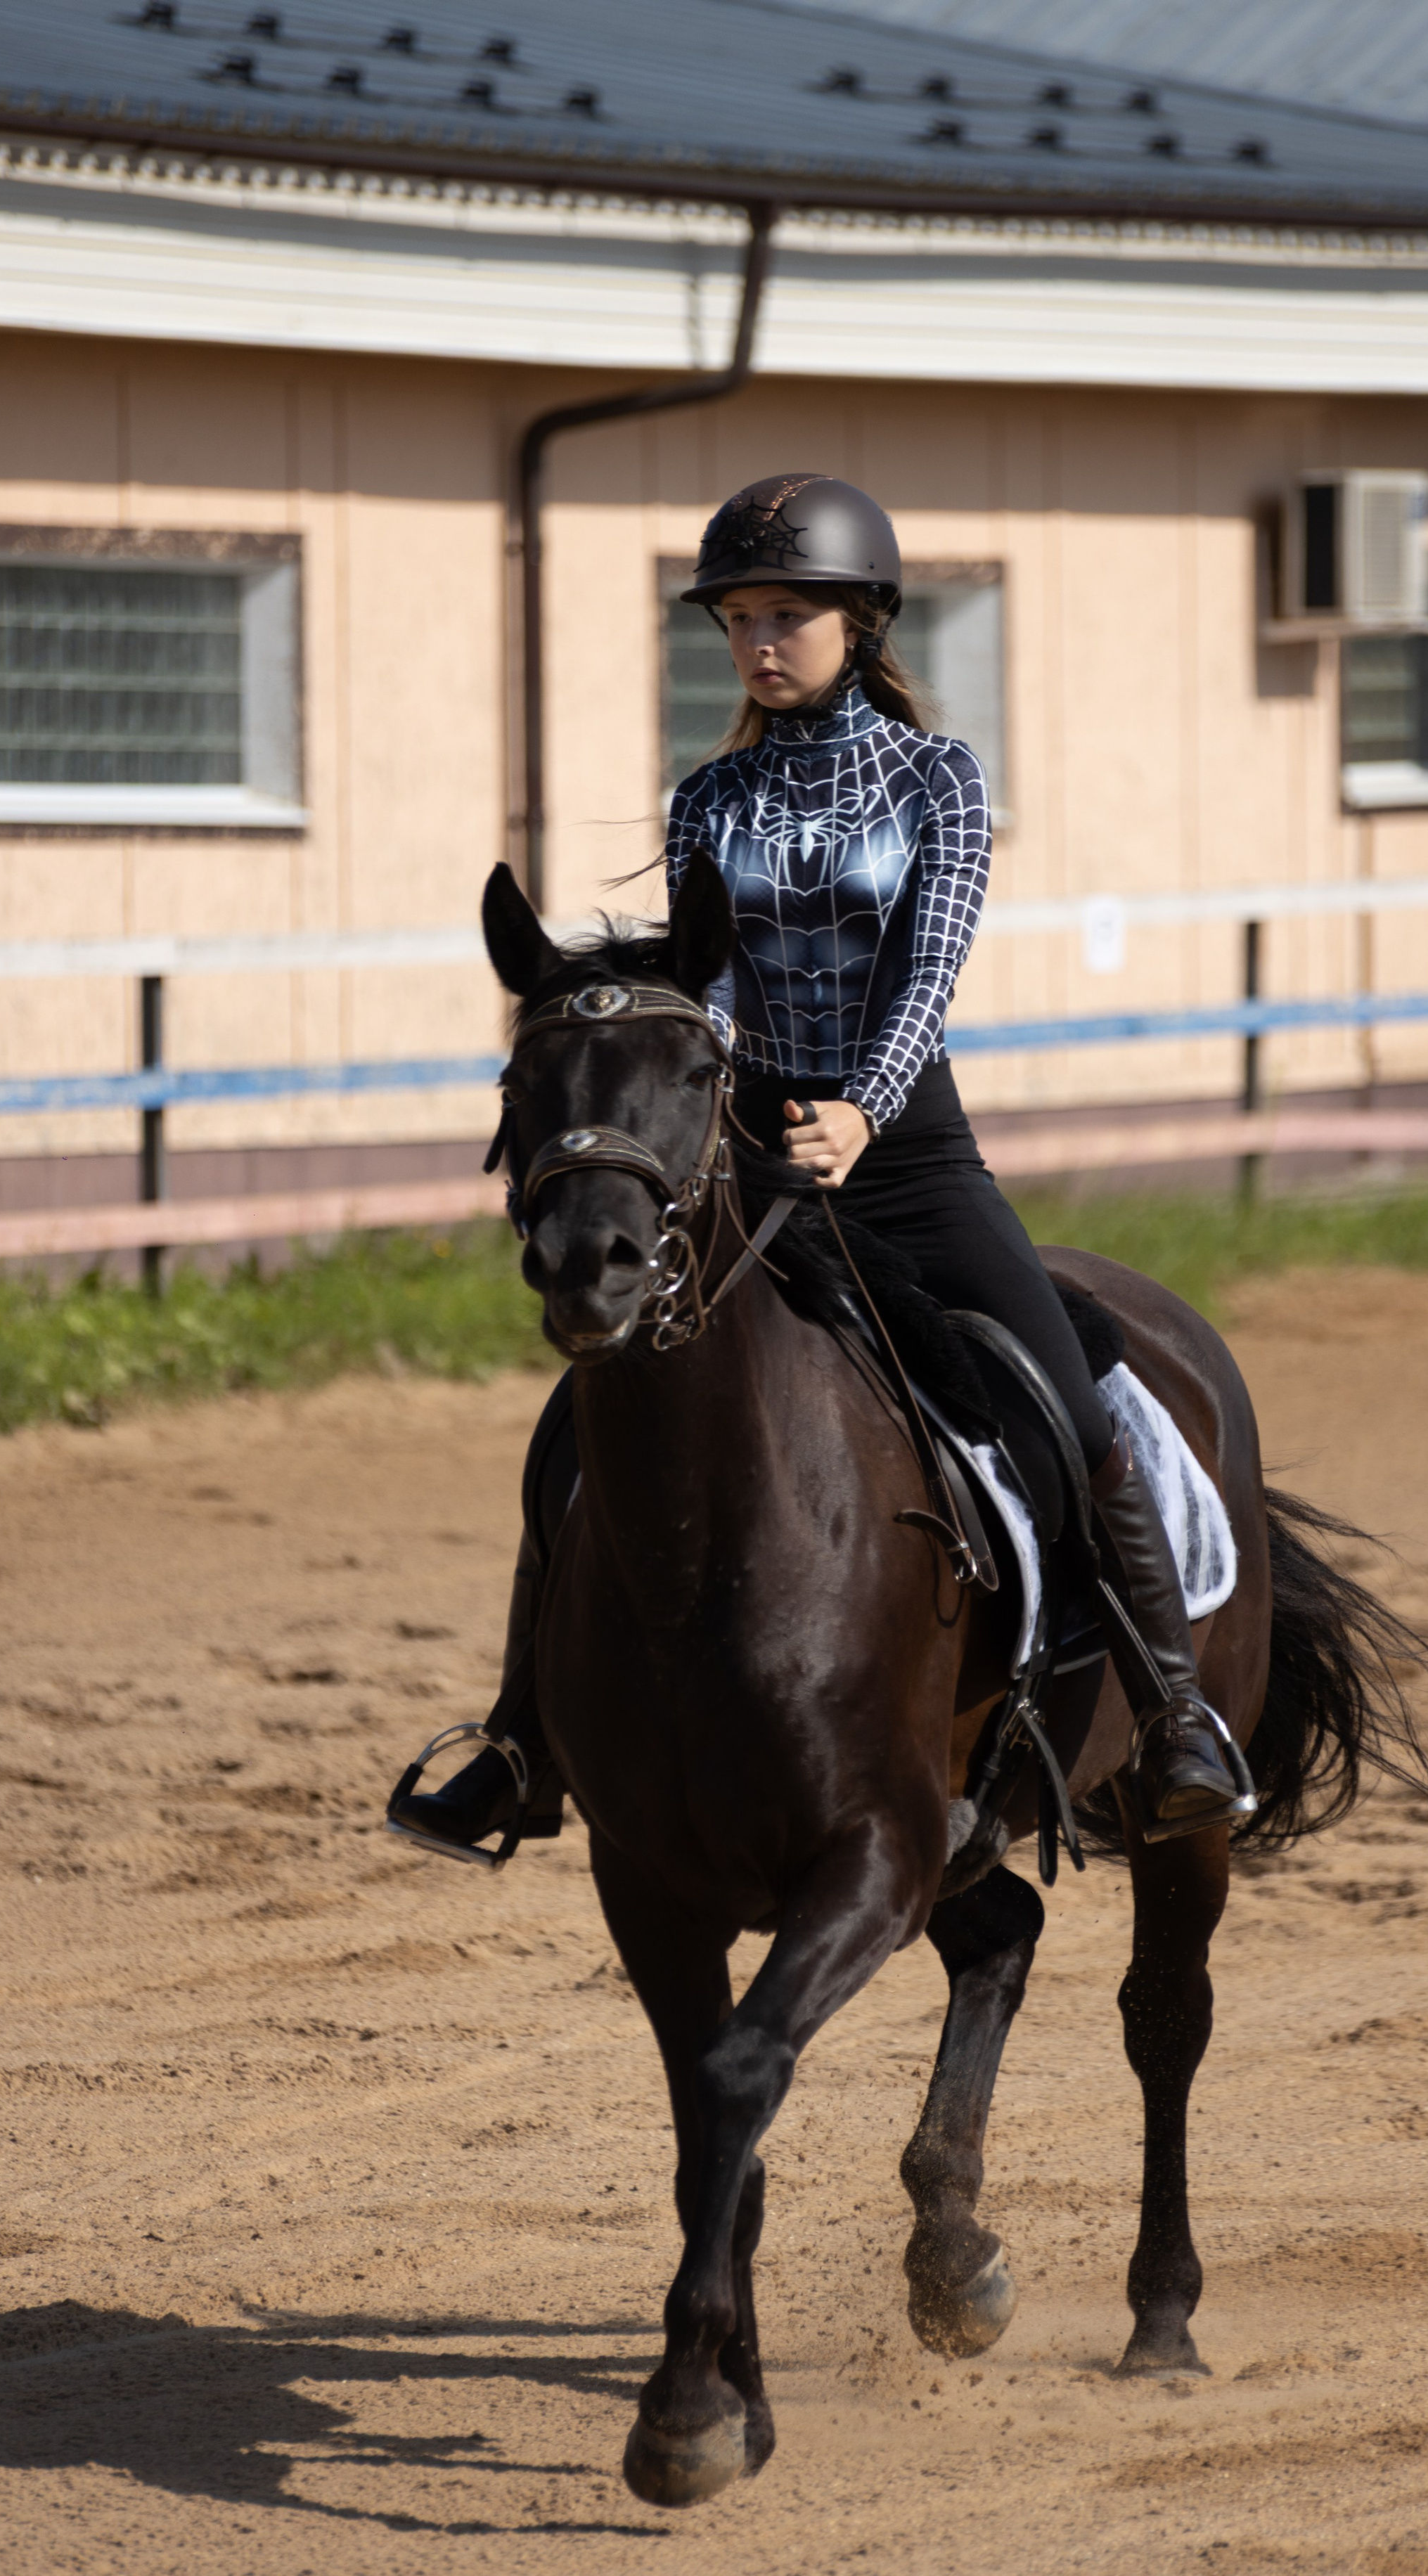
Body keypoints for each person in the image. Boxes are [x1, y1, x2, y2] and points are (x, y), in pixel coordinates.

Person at [388, 472, 1243, 1865]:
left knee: (1071, 1407)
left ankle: (1175, 1715)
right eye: (736, 619)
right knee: (583, 1421)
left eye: (785, 614)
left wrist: (860, 1111)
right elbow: (709, 986)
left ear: (862, 623)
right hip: (746, 1161)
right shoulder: (707, 797)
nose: (758, 642)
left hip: (908, 1157)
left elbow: (928, 970)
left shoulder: (937, 779)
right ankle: (520, 1744)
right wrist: (719, 1111)